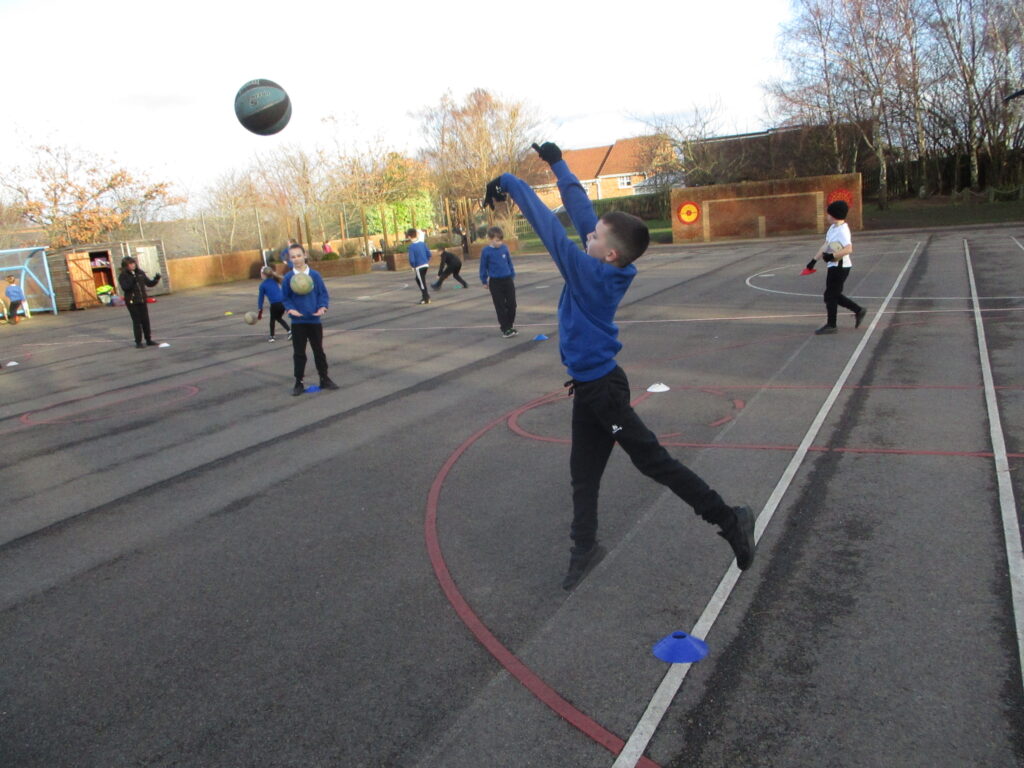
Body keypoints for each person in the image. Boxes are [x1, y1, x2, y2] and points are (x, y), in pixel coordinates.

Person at [484, 141, 755, 590]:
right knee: (583, 475)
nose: (586, 237)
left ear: (608, 253)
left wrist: (510, 182)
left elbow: (550, 229)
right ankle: (585, 548)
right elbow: (580, 209)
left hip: (604, 393)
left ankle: (729, 519)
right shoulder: (606, 263)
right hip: (591, 387)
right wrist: (557, 164)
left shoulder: (589, 274)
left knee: (653, 461)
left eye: (593, 238)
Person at [282, 244, 338, 396]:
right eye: (293, 257)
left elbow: (323, 294)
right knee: (299, 353)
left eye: (299, 255)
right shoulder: (288, 278)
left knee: (318, 351)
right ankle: (298, 382)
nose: (296, 259)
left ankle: (324, 378)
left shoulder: (314, 275)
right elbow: (285, 298)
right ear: (289, 259)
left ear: (305, 255)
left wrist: (322, 307)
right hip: (298, 322)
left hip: (313, 320)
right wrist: (290, 309)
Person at [805, 200, 867, 334]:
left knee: (831, 296)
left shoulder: (843, 230)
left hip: (841, 267)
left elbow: (849, 249)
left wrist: (832, 256)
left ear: (835, 215)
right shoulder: (833, 228)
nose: (827, 216)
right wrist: (813, 261)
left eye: (829, 214)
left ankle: (832, 325)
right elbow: (826, 245)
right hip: (833, 266)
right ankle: (858, 310)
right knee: (832, 295)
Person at [479, 226, 517, 337]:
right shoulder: (486, 251)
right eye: (496, 240)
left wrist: (512, 273)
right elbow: (483, 266)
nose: (499, 243)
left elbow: (509, 262)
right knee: (500, 306)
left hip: (507, 279)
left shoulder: (504, 248)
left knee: (512, 304)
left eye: (500, 240)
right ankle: (505, 328)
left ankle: (509, 325)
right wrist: (484, 280)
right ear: (490, 239)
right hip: (495, 282)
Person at [117, 256, 160, 348]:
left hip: (142, 300)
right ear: (126, 266)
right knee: (137, 321)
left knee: (145, 321)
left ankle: (148, 340)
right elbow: (125, 287)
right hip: (132, 301)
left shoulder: (140, 273)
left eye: (133, 263)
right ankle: (138, 342)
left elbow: (149, 283)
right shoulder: (123, 275)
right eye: (130, 264)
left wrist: (156, 279)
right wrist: (133, 281)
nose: (133, 265)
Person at [257, 266, 291, 343]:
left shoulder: (263, 285)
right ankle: (289, 331)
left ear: (263, 275)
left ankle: (272, 336)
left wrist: (260, 309)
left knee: (272, 320)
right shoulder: (275, 280)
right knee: (278, 318)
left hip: (275, 304)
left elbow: (261, 298)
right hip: (283, 303)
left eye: (261, 274)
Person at [406, 228, 431, 305]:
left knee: (422, 282)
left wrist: (413, 266)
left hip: (419, 266)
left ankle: (426, 298)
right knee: (418, 279)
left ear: (409, 237)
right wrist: (426, 260)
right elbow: (429, 254)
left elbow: (412, 259)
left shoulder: (411, 247)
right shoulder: (422, 244)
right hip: (425, 265)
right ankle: (426, 296)